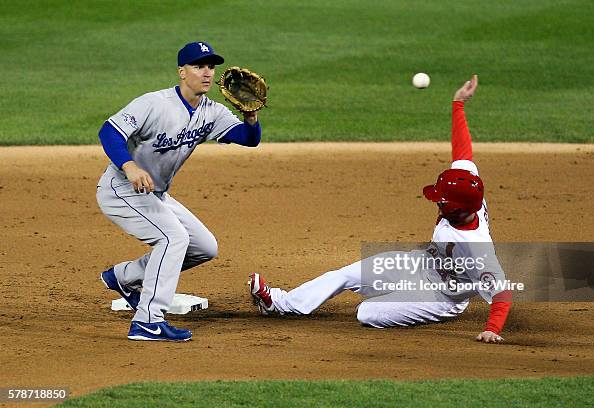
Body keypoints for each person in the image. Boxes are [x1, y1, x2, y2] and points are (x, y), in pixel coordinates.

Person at [249, 75, 512, 343]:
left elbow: (501, 292)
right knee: (343, 275)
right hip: (421, 264)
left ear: (457, 210)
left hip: (441, 296)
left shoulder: (476, 246)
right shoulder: (467, 188)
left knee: (367, 313)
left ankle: (401, 300)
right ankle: (279, 304)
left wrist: (492, 329)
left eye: (442, 201)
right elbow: (463, 155)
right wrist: (458, 103)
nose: (437, 201)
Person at [97, 41, 262, 341]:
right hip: (120, 189)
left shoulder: (211, 111)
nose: (207, 72)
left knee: (204, 247)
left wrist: (251, 118)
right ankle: (148, 320)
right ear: (182, 72)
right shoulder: (154, 103)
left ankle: (123, 277)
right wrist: (130, 167)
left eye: (211, 66)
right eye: (199, 66)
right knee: (174, 238)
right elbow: (109, 131)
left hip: (155, 194)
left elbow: (248, 139)